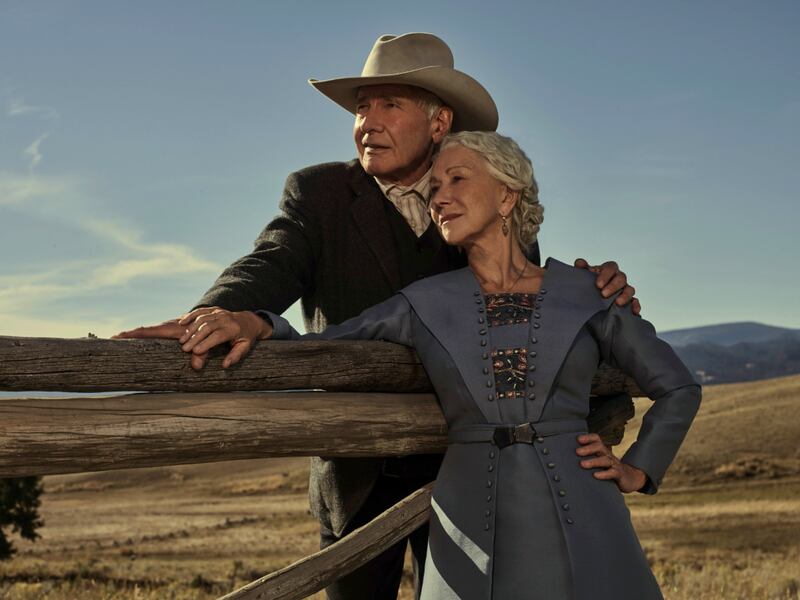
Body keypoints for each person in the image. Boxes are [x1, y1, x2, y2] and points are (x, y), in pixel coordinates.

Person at [114, 33, 642, 599]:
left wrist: (591, 299)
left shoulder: (481, 195)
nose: (368, 121)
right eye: (362, 106)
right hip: (357, 473)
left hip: (469, 471)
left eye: (390, 104)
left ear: (440, 123)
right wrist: (222, 309)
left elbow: (524, 314)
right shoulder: (320, 193)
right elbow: (273, 259)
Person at [178, 131, 701, 599]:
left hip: (583, 502)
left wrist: (639, 468)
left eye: (457, 179)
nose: (440, 196)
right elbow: (330, 343)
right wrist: (257, 322)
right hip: (468, 510)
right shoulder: (421, 302)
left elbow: (677, 386)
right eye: (434, 189)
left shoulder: (588, 292)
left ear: (507, 194)